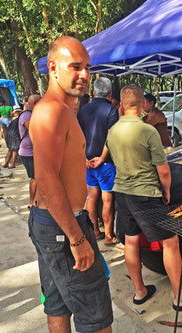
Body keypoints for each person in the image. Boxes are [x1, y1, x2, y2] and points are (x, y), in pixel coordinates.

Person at [29, 37, 113, 333]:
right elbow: (47, 177)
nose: (85, 75)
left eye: (88, 68)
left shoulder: (62, 109)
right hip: (63, 226)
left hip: (50, 223)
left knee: (57, 305)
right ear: (53, 68)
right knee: (96, 316)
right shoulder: (51, 111)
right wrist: (77, 239)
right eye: (75, 67)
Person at [106, 84, 182, 311]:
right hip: (146, 195)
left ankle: (140, 291)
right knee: (170, 242)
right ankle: (180, 298)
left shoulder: (112, 131)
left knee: (131, 241)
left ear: (121, 105)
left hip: (122, 193)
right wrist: (167, 191)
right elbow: (163, 170)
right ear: (143, 105)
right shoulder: (147, 131)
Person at [77, 77, 119, 245]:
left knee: (92, 196)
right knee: (107, 199)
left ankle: (94, 231)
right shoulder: (111, 110)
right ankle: (109, 235)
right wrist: (102, 158)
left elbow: (78, 137)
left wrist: (85, 158)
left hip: (87, 162)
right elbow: (111, 137)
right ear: (110, 94)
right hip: (105, 162)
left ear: (94, 92)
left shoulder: (83, 110)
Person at [18, 94, 41, 206]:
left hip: (34, 151)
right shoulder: (26, 116)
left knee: (39, 176)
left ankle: (37, 200)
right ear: (35, 103)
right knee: (35, 177)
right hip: (28, 152)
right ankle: (32, 202)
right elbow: (34, 130)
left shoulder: (34, 114)